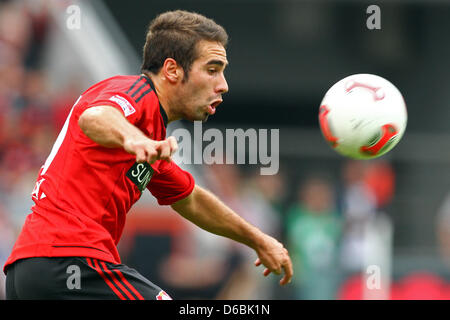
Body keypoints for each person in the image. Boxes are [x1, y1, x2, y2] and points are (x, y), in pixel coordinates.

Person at [3, 10, 292, 300]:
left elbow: (191, 200)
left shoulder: (152, 137)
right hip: (67, 261)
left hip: (32, 270)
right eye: (213, 69)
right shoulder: (134, 93)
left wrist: (257, 239)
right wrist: (134, 139)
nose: (223, 84)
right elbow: (95, 117)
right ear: (172, 70)